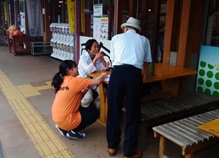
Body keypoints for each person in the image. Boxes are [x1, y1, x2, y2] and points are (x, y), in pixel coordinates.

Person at [106, 17, 152, 158]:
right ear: (137, 30)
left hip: (117, 74)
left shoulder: (116, 38)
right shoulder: (144, 40)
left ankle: (112, 146)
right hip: (134, 75)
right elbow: (146, 63)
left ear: (126, 28)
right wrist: (146, 77)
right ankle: (129, 152)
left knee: (114, 109)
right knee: (132, 112)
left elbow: (113, 61)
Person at [51, 60, 107, 140]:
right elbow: (97, 81)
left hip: (57, 118)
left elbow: (77, 95)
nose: (77, 69)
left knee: (83, 109)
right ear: (69, 70)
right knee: (94, 113)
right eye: (75, 67)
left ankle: (63, 128)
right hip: (66, 119)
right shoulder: (74, 81)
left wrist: (87, 87)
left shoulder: (63, 80)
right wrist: (104, 75)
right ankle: (73, 132)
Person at [78, 39, 107, 108]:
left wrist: (102, 59)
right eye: (94, 46)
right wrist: (95, 59)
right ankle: (81, 109)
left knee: (103, 92)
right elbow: (88, 70)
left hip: (94, 81)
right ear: (88, 49)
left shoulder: (98, 58)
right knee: (88, 98)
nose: (97, 49)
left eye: (98, 46)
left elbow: (105, 68)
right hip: (85, 81)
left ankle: (98, 109)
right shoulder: (83, 58)